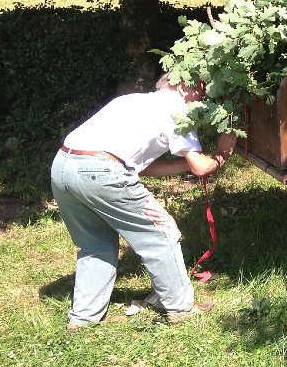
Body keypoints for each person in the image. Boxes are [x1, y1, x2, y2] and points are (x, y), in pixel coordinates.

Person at [50, 73, 237, 330]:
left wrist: (188, 165)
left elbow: (141, 166)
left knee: (95, 244)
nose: (205, 94)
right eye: (201, 86)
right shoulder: (179, 111)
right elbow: (202, 167)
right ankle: (180, 308)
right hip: (102, 171)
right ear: (182, 85)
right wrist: (224, 152)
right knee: (162, 234)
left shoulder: (131, 101)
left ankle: (83, 317)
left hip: (63, 166)